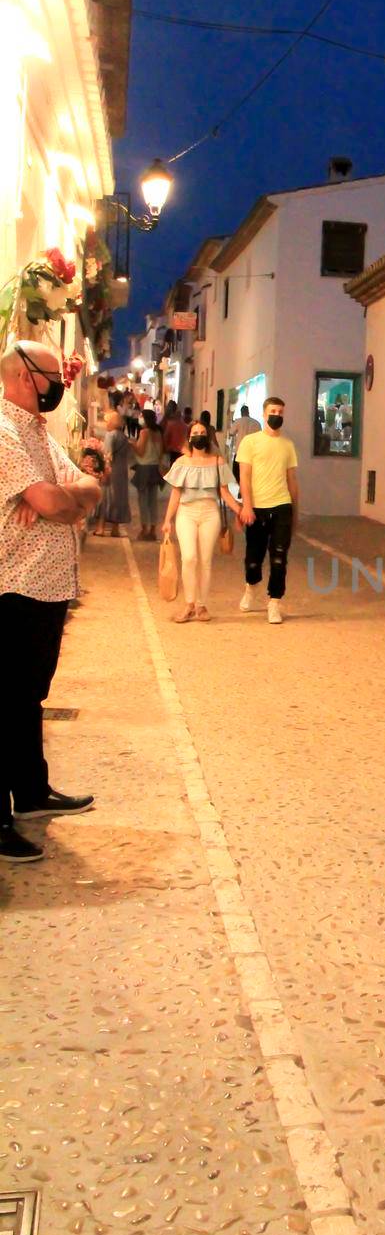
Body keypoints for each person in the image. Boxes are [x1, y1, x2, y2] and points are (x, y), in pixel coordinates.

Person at [0, 341, 100, 862]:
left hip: (47, 585)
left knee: (27, 697)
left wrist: (71, 501)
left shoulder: (38, 431)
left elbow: (87, 488)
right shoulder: (4, 431)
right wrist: (62, 502)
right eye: (53, 373)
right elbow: (48, 499)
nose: (60, 381)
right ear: (23, 376)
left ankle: (31, 793)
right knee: (4, 701)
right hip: (12, 586)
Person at [161, 421, 241, 623]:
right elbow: (176, 492)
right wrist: (167, 520)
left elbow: (224, 492)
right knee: (189, 558)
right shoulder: (181, 463)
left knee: (205, 561)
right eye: (195, 432)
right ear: (189, 437)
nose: (199, 435)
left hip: (210, 513)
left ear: (208, 436)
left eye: (203, 432)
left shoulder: (217, 461)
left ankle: (201, 605)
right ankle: (189, 603)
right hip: (186, 513)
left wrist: (240, 510)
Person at [237, 395, 299, 623]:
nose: (276, 416)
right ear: (264, 414)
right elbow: (244, 476)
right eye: (273, 412)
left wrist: (296, 512)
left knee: (279, 558)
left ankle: (274, 602)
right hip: (257, 509)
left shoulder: (288, 445)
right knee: (254, 557)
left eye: (280, 413)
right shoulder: (250, 442)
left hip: (282, 506)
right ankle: (251, 588)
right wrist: (246, 506)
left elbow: (292, 480)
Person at [130, 408, 166, 540]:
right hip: (154, 468)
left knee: (143, 501)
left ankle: (144, 528)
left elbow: (140, 451)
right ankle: (153, 529)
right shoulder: (158, 433)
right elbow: (161, 452)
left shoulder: (144, 432)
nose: (139, 418)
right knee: (153, 500)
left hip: (144, 468)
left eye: (141, 416)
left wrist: (132, 444)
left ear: (145, 419)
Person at [97, 409, 131, 538]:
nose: (105, 424)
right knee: (119, 498)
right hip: (121, 471)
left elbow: (108, 455)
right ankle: (115, 529)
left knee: (106, 498)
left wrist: (106, 470)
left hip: (112, 470)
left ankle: (101, 528)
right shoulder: (123, 436)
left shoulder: (110, 435)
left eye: (107, 421)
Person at [226, 403, 260, 480]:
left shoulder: (238, 421)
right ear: (248, 412)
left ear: (241, 412)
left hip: (240, 451)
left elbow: (231, 433)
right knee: (250, 474)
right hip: (253, 452)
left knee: (237, 473)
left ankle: (241, 487)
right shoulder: (256, 423)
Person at [161, 401, 189, 468]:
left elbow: (165, 437)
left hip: (170, 451)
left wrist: (165, 448)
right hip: (181, 451)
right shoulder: (185, 426)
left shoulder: (167, 422)